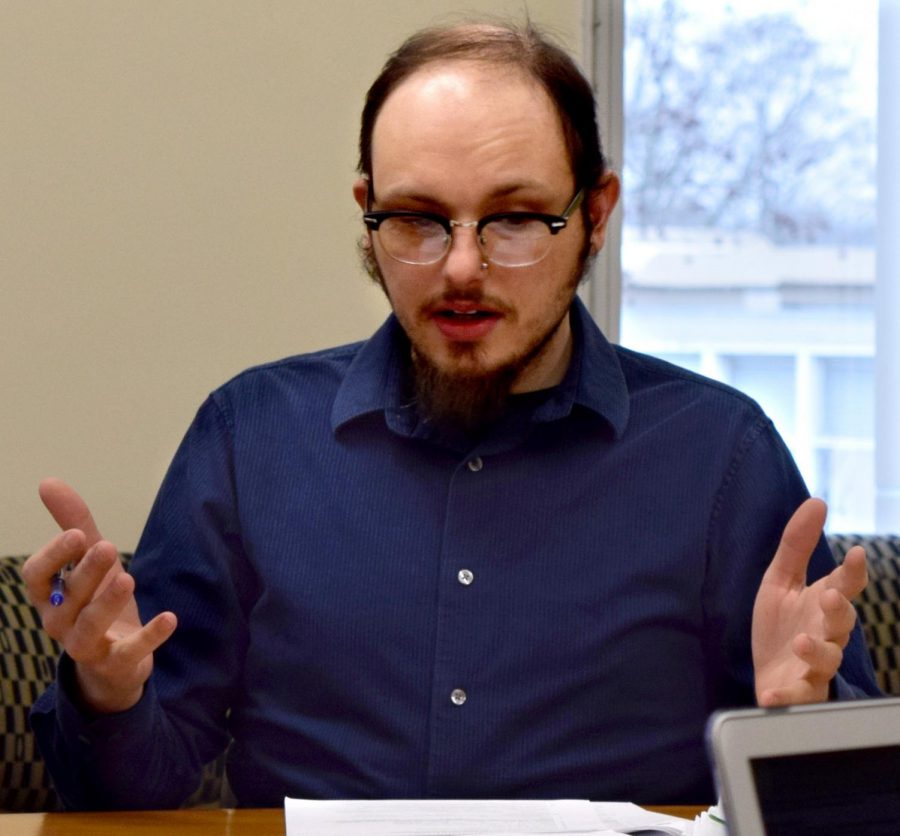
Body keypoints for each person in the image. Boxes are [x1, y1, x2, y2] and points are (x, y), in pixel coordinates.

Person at [23, 20, 879, 811]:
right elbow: (129, 796)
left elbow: (855, 798)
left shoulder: (719, 454)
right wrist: (107, 690)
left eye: (512, 218)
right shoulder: (252, 437)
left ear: (597, 213)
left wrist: (798, 726)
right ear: (367, 211)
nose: (461, 267)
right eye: (418, 220)